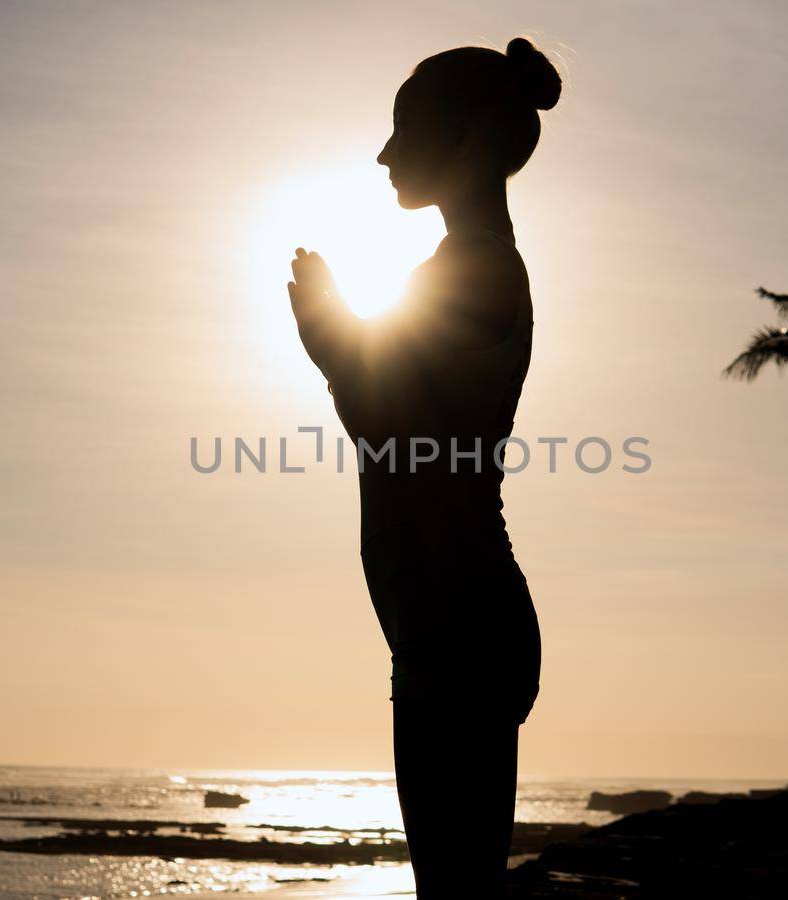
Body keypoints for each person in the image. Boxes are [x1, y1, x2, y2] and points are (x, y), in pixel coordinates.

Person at [287, 36, 561, 898]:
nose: (384, 153)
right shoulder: (464, 265)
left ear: (470, 135)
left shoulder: (475, 269)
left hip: (459, 625)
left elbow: (397, 431)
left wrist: (329, 339)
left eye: (405, 129)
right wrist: (337, 342)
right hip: (448, 622)